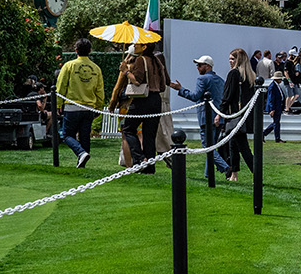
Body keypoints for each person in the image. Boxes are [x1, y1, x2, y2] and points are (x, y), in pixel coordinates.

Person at [170, 55, 229, 177]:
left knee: (207, 147)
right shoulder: (220, 80)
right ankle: (208, 174)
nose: (197, 67)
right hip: (219, 117)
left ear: (207, 66)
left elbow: (195, 96)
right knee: (211, 146)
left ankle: (226, 167)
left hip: (206, 118)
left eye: (199, 65)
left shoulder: (202, 79)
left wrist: (180, 89)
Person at [111, 41, 166, 172]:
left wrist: (125, 71)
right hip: (156, 99)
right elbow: (164, 83)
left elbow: (137, 80)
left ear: (144, 47)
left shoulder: (141, 60)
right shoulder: (157, 61)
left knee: (128, 129)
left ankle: (140, 159)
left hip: (142, 99)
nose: (134, 46)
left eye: (137, 45)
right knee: (149, 135)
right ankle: (149, 167)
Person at [54, 38, 105, 168]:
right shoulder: (96, 68)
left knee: (66, 135)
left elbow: (61, 86)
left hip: (72, 106)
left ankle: (81, 153)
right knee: (84, 136)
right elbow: (100, 90)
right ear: (90, 50)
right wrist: (99, 107)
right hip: (89, 107)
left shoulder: (69, 66)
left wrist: (58, 103)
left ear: (75, 50)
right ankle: (82, 161)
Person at [219, 48, 257, 182]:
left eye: (232, 59)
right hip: (244, 116)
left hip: (235, 115)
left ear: (238, 60)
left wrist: (220, 113)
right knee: (233, 146)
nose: (230, 61)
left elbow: (227, 96)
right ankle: (234, 174)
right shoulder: (250, 76)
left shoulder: (233, 74)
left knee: (243, 148)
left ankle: (257, 175)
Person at [264, 69, 289, 142]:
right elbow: (271, 99)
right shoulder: (272, 86)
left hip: (278, 107)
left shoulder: (276, 85)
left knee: (276, 122)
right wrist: (272, 109)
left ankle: (264, 134)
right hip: (275, 107)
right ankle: (277, 138)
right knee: (276, 123)